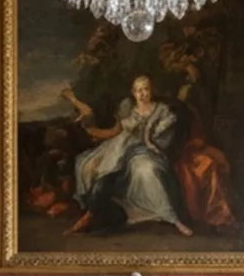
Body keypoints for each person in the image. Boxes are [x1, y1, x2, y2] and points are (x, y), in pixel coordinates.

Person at [63, 76, 192, 236]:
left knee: (147, 169)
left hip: (147, 151)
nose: (143, 94)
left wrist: (149, 136)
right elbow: (115, 132)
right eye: (139, 90)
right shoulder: (129, 110)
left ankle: (171, 218)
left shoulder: (162, 110)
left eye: (146, 89)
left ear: (152, 90)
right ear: (133, 93)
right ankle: (90, 214)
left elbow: (162, 138)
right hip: (123, 147)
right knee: (96, 165)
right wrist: (92, 132)